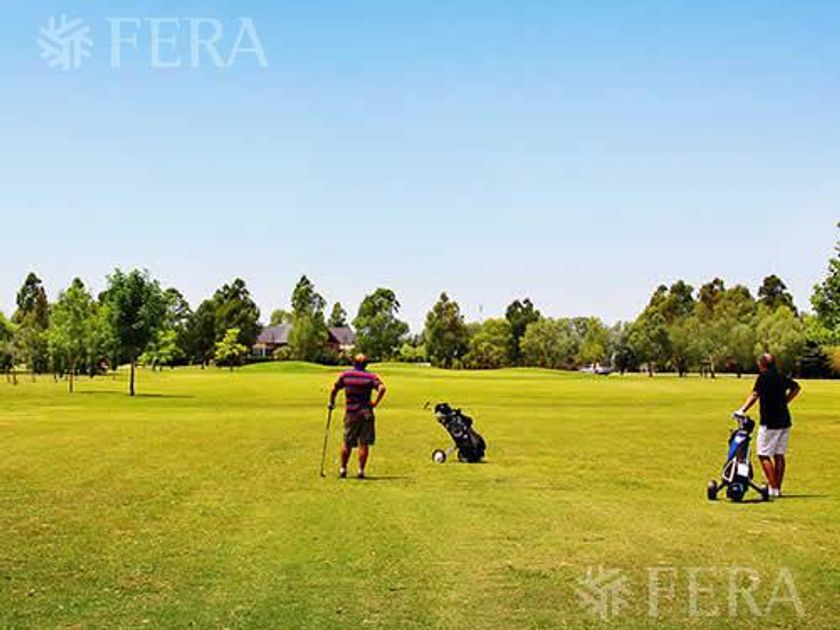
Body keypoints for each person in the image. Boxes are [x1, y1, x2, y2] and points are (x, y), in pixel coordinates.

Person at [736, 353, 801, 498]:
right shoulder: (780, 376)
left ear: (761, 364)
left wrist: (742, 410)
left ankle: (773, 487)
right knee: (779, 455)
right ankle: (777, 488)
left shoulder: (763, 377)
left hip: (769, 422)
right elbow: (796, 388)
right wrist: (785, 401)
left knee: (763, 454)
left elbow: (754, 395)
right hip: (785, 421)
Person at [328, 354, 386, 479]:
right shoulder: (370, 376)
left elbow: (334, 389)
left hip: (351, 413)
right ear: (366, 365)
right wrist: (375, 403)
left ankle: (343, 469)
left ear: (353, 363)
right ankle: (360, 470)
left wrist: (331, 403)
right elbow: (382, 388)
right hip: (366, 414)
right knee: (363, 443)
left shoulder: (346, 375)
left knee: (347, 442)